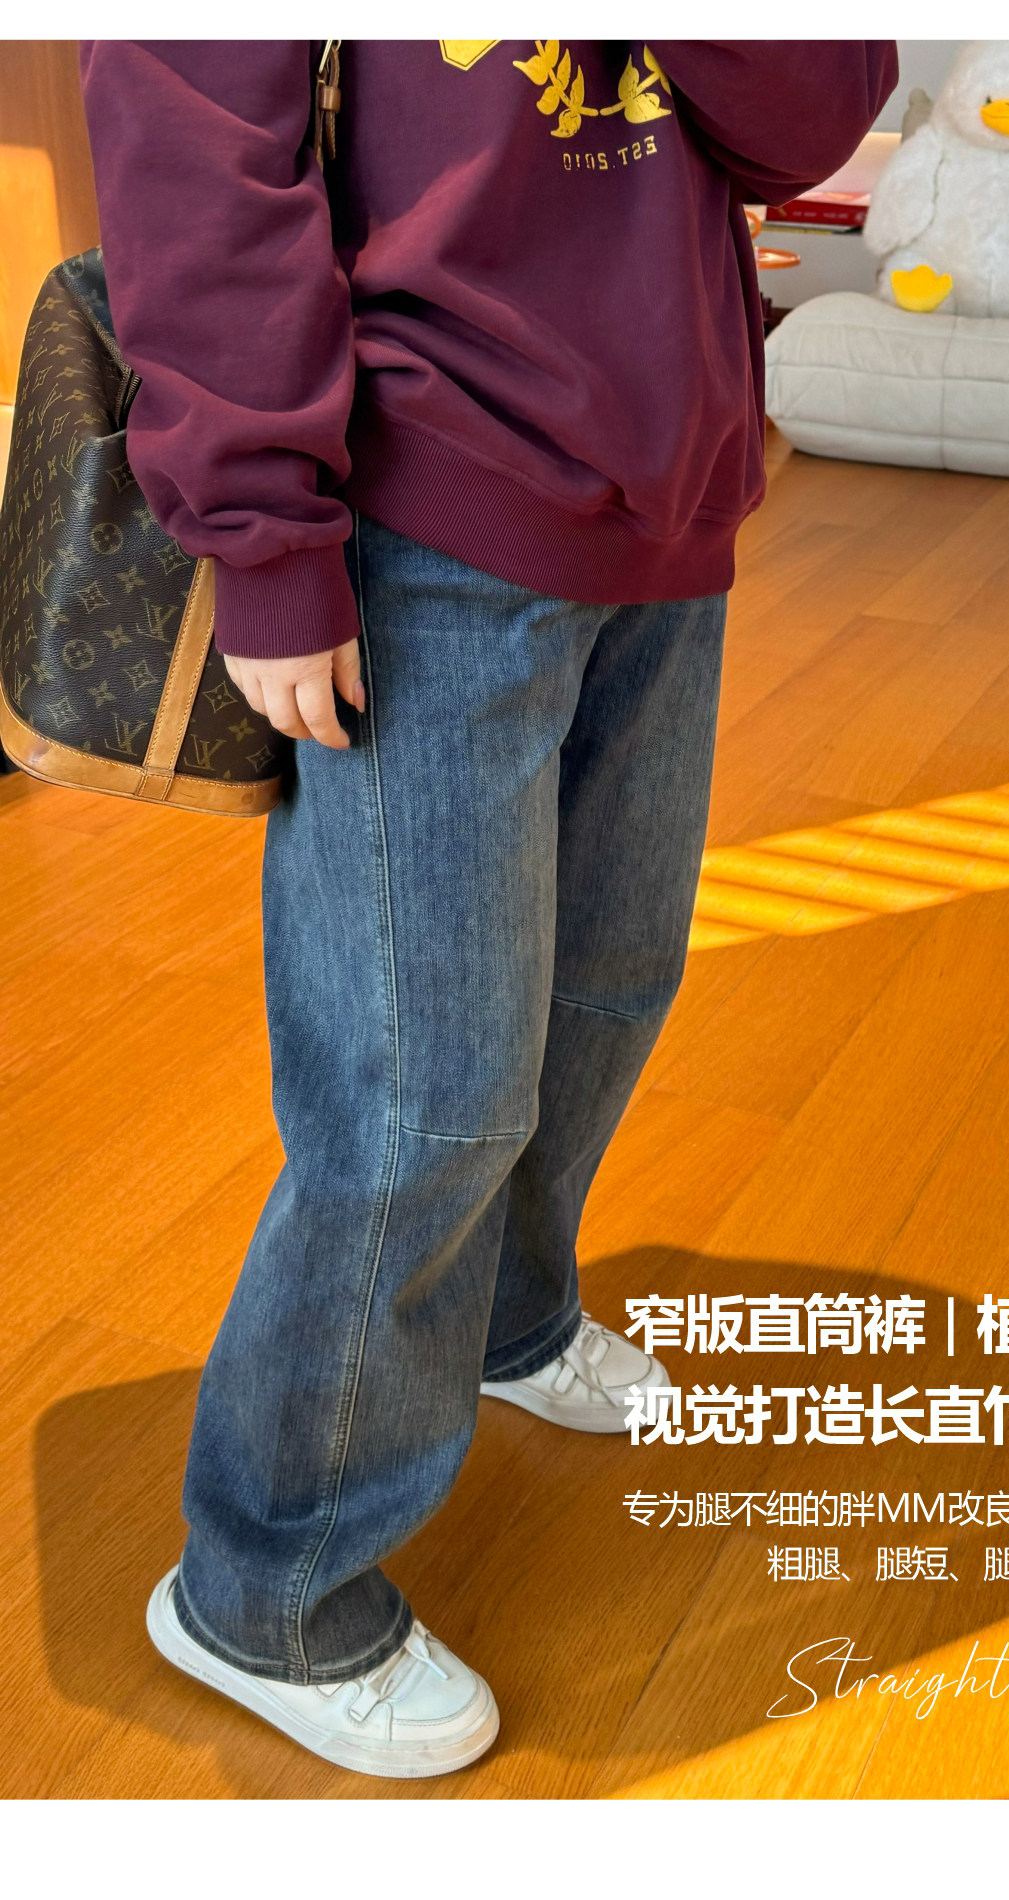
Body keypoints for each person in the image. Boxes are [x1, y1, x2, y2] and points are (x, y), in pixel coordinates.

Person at [79, 37, 897, 1780]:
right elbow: (193, 137)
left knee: (607, 983)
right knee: (421, 1096)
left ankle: (515, 1319)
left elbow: (812, 116)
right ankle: (265, 1583)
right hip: (414, 511)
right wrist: (266, 540)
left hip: (668, 493)